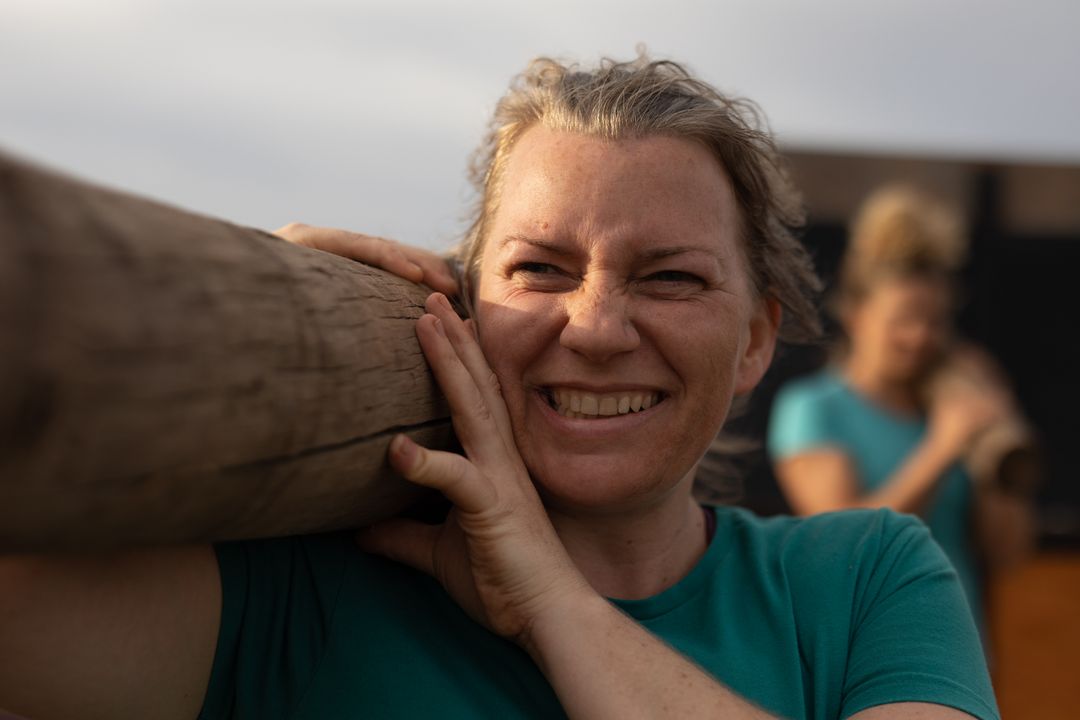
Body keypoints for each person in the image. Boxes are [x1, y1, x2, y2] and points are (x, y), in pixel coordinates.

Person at [1, 55, 999, 720]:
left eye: (671, 277)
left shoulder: (863, 579)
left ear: (754, 342)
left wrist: (548, 601)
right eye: (540, 270)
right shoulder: (293, 582)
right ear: (467, 301)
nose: (599, 328)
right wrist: (205, 325)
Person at [767, 185, 1037, 637]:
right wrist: (942, 446)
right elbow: (847, 547)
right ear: (856, 314)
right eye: (903, 319)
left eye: (934, 321)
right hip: (863, 649)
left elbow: (1009, 551)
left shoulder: (948, 405)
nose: (920, 336)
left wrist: (998, 432)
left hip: (960, 647)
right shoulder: (812, 408)